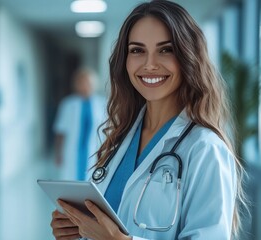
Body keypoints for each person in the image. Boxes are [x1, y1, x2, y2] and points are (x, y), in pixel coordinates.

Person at [50, 1, 248, 239]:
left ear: (188, 57)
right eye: (137, 50)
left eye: (166, 50)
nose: (149, 64)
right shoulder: (121, 137)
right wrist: (76, 229)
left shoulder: (205, 149)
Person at [53, 67, 107, 181]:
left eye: (88, 82)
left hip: (94, 150)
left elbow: (107, 131)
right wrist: (58, 153)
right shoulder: (68, 104)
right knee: (72, 180)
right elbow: (60, 131)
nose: (85, 86)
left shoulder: (102, 104)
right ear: (76, 85)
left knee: (92, 180)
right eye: (81, 82)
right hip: (73, 149)